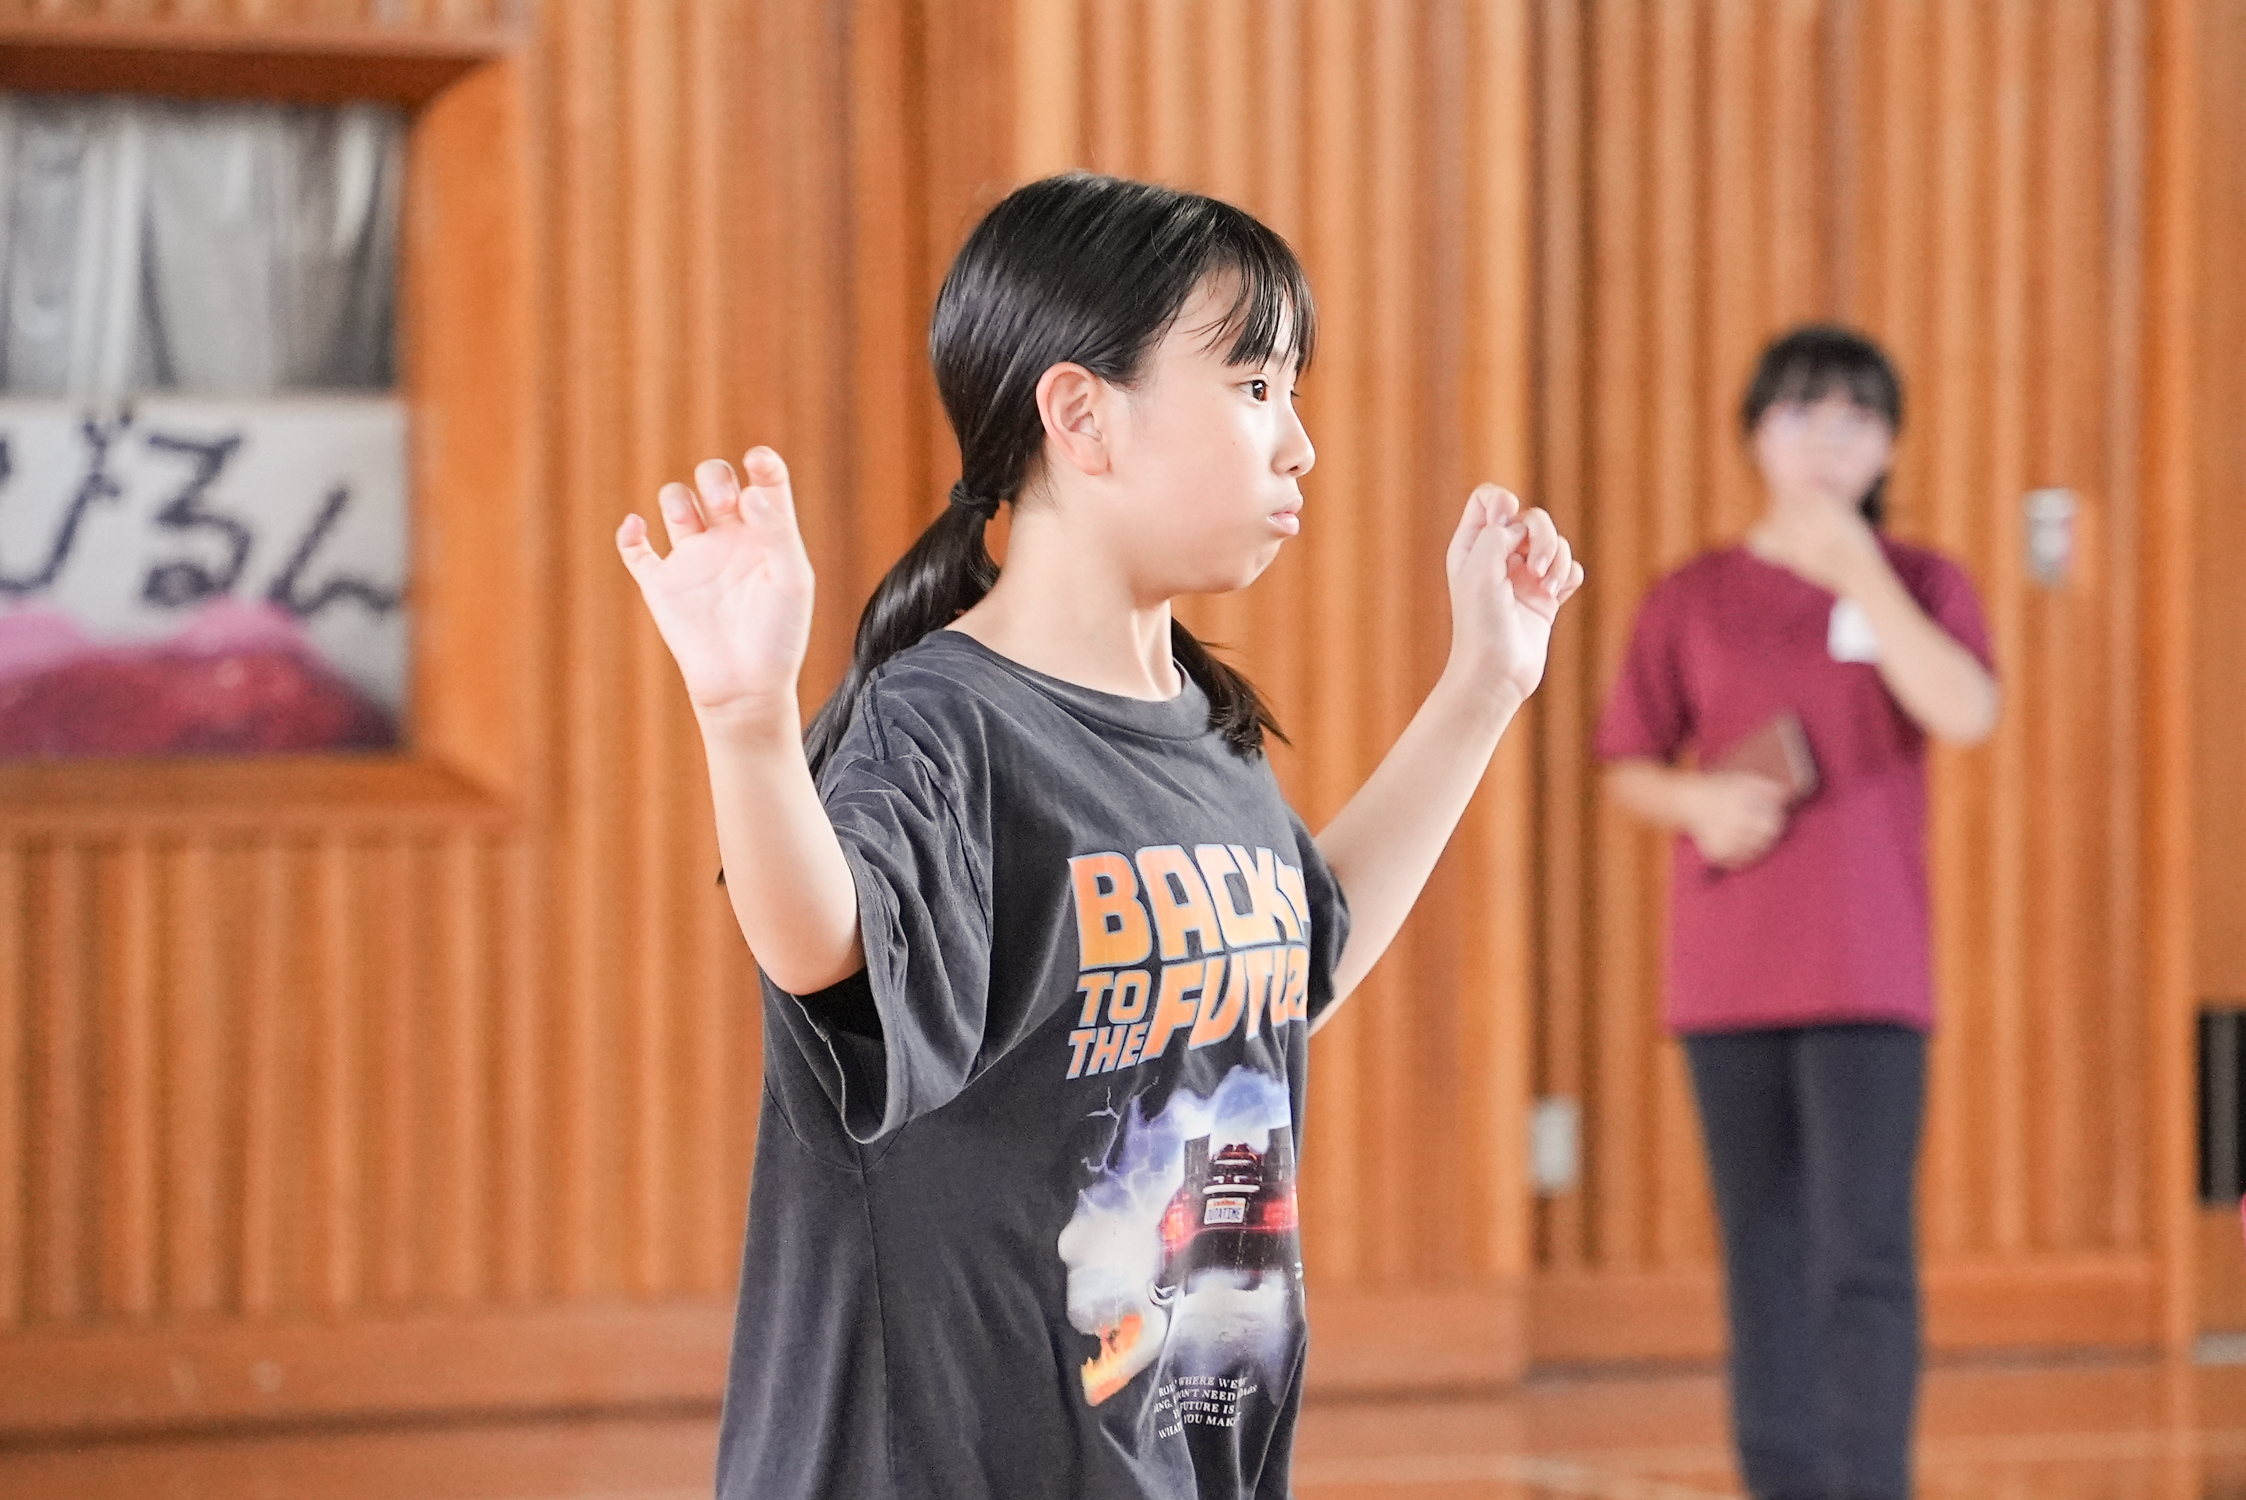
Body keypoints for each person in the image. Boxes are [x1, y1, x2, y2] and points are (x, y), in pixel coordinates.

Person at [614, 173, 1584, 1500]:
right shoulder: (938, 722)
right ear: (1082, 416)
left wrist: (1482, 684)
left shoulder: (1200, 722)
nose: (1297, 443)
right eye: (1254, 391)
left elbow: (1292, 972)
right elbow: (827, 954)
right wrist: (745, 722)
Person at [1595, 325, 1998, 1500]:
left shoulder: (1922, 581)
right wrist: (1699, 799)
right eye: (1801, 415)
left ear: (1887, 443)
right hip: (1727, 976)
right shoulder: (1692, 595)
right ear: (1754, 432)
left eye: (1854, 419)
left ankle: (1869, 1481)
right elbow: (1624, 760)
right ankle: (1779, 1480)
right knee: (1761, 1254)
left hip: (1870, 974)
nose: (1827, 441)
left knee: (1862, 1253)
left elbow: (1964, 711)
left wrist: (1855, 566)